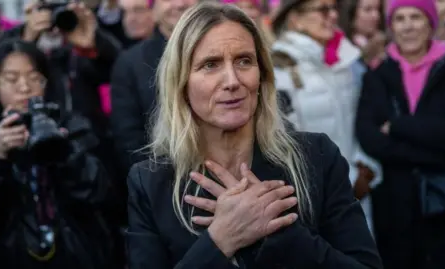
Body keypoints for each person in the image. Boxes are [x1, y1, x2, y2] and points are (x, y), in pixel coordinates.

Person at [127, 3, 383, 268]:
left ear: (262, 76)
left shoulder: (316, 158)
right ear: (181, 83)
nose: (232, 80)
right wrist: (219, 241)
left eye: (244, 61)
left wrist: (277, 231)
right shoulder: (151, 182)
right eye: (210, 64)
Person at [0, 40, 113, 269]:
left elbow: (99, 192)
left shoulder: (71, 124)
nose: (24, 87)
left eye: (34, 77)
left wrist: (64, 152)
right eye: (11, 79)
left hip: (74, 252)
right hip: (7, 255)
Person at [356, 0, 445, 268]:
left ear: (430, 23)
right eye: (400, 18)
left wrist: (399, 126)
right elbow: (369, 137)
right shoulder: (376, 75)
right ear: (391, 26)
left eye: (416, 17)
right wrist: (438, 147)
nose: (408, 26)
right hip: (394, 205)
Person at [270, 0, 382, 234]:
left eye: (335, 9)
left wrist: (364, 169)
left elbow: (358, 123)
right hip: (314, 196)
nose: (332, 16)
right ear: (295, 18)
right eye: (323, 9)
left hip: (359, 188)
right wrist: (343, 181)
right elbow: (286, 139)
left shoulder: (343, 60)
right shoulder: (278, 68)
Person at [110, 0, 198, 176]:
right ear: (153, 11)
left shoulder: (224, 51)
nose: (180, 4)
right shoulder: (131, 63)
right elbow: (129, 141)